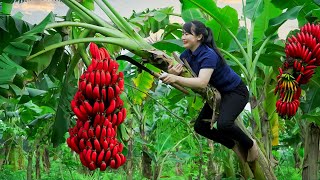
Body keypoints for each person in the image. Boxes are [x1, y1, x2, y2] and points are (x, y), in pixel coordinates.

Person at [160, 20, 258, 162]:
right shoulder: (185, 55)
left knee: (224, 125)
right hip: (218, 94)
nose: (183, 37)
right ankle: (233, 145)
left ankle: (250, 144)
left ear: (199, 37)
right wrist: (172, 72)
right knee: (200, 127)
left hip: (235, 92)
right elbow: (180, 74)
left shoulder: (208, 55)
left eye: (187, 34)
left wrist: (175, 79)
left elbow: (201, 82)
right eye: (182, 34)